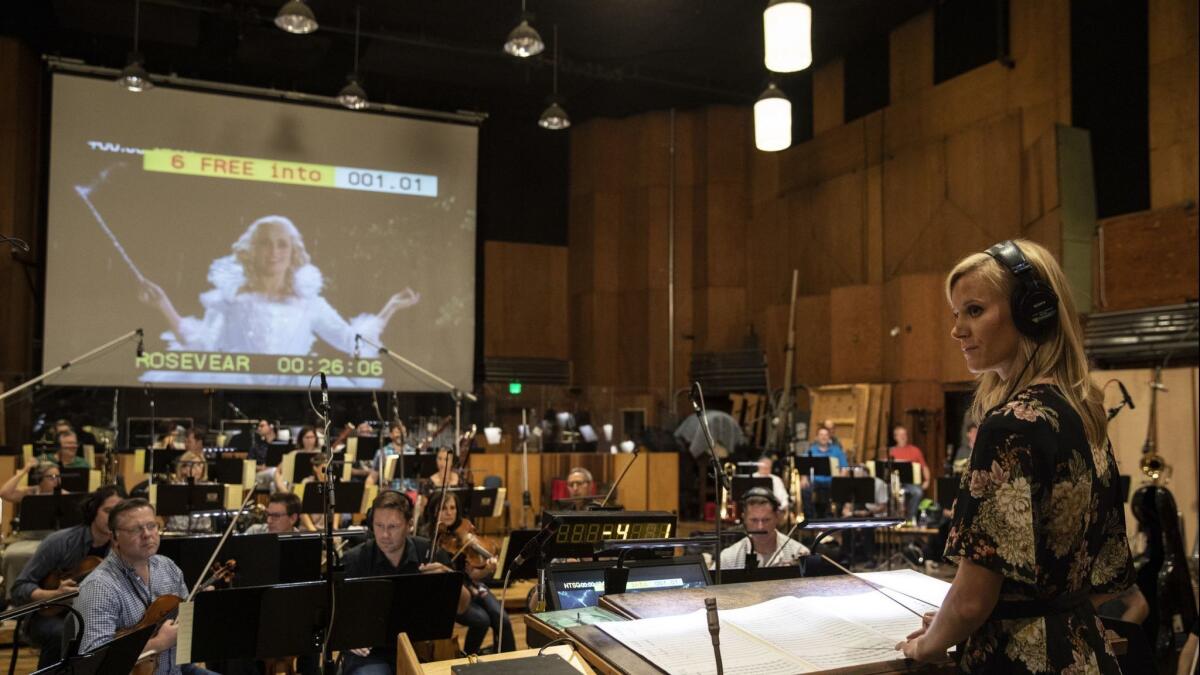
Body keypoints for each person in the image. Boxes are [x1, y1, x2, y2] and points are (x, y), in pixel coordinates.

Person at [897, 239, 1133, 673]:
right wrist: (994, 616)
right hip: (1084, 651)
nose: (957, 330)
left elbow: (971, 601)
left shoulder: (1011, 425)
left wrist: (929, 644)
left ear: (1033, 311)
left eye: (974, 310)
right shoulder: (1083, 411)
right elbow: (1109, 576)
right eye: (956, 314)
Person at [138, 214, 419, 358]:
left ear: (292, 251)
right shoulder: (231, 300)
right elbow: (202, 344)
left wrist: (390, 307)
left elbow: (350, 342)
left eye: (281, 243)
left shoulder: (309, 303)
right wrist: (163, 304)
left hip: (294, 393)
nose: (274, 251)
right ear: (252, 250)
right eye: (265, 243)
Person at [76, 498, 217, 675]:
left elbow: (185, 630)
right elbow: (94, 662)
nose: (147, 534)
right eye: (136, 529)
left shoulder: (168, 567)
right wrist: (158, 644)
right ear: (114, 537)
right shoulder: (99, 587)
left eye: (152, 526)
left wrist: (201, 609)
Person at [342, 491, 470, 674]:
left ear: (410, 525)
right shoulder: (354, 560)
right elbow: (334, 613)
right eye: (379, 525)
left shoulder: (431, 552)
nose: (384, 534)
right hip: (371, 653)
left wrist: (449, 579)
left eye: (393, 526)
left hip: (423, 648)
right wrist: (349, 635)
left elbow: (464, 607)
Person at [10, 487, 122, 670]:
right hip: (46, 615)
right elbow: (19, 588)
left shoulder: (121, 546)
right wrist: (55, 594)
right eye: (108, 511)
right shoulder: (60, 542)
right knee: (64, 633)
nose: (114, 518)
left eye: (118, 512)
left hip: (92, 614)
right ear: (93, 511)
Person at [420, 492, 514, 655]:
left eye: (452, 508)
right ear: (434, 511)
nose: (449, 512)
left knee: (502, 619)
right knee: (482, 620)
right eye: (443, 508)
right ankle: (469, 656)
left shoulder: (462, 533)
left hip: (471, 585)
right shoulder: (427, 537)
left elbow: (472, 575)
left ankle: (508, 658)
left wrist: (486, 568)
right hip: (450, 593)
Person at [717, 488, 808, 570]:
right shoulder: (728, 558)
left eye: (766, 520)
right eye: (754, 520)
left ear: (776, 517)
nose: (760, 527)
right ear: (744, 519)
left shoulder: (799, 552)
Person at [799, 427, 848, 517]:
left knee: (843, 488)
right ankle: (810, 518)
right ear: (817, 437)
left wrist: (839, 479)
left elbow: (844, 468)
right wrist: (804, 478)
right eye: (821, 435)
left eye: (826, 435)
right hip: (815, 481)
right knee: (805, 488)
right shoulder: (811, 451)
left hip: (832, 481)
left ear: (829, 437)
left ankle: (833, 517)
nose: (823, 437)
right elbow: (803, 467)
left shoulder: (837, 450)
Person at [163, 449, 214, 533]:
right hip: (176, 532)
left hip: (203, 532)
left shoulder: (209, 487)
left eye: (199, 465)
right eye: (192, 465)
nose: (196, 469)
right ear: (183, 468)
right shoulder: (173, 487)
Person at [886, 425, 930, 519]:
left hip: (911, 484)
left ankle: (910, 518)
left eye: (904, 434)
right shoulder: (891, 452)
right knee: (887, 491)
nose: (903, 437)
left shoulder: (915, 450)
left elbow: (924, 467)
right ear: (895, 437)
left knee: (918, 492)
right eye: (900, 435)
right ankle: (893, 518)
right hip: (895, 484)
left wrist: (927, 480)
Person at [0, 461, 65, 505]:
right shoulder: (30, 493)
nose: (57, 480)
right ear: (40, 480)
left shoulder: (65, 495)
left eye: (58, 477)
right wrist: (23, 471)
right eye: (52, 477)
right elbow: (4, 493)